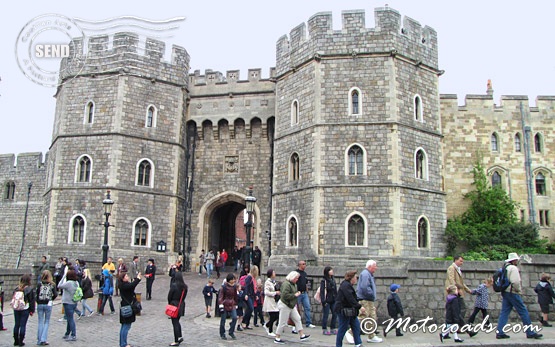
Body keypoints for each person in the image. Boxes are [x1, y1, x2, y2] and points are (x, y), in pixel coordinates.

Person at [496, 253, 543, 340]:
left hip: (505, 292)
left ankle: (500, 332)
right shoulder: (513, 268)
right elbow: (515, 282)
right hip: (513, 292)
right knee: (523, 311)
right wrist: (518, 291)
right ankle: (530, 332)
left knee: (504, 312)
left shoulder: (505, 267)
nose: (517, 261)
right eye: (516, 260)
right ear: (514, 260)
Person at [274, 271, 310, 344]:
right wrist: (295, 295)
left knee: (297, 318)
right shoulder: (286, 284)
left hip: (291, 305)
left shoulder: (294, 284)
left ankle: (302, 335)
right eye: (296, 278)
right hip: (285, 305)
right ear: (292, 277)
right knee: (282, 322)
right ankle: (277, 337)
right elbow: (284, 295)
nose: (297, 280)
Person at [334, 270, 365, 347]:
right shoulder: (345, 285)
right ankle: (338, 345)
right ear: (351, 278)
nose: (356, 279)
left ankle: (358, 343)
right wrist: (359, 306)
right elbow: (350, 298)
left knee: (356, 326)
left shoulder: (348, 285)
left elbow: (353, 297)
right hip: (343, 310)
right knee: (342, 328)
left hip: (350, 311)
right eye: (355, 277)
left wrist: (359, 300)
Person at [357, 259, 382, 343]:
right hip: (365, 299)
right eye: (375, 266)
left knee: (372, 318)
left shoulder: (368, 274)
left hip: (369, 300)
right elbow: (364, 287)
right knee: (363, 317)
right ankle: (351, 333)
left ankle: (371, 336)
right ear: (370, 266)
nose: (376, 268)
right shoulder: (365, 274)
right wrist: (371, 294)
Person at [444, 256, 472, 320]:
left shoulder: (458, 269)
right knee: (461, 308)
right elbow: (451, 279)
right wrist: (456, 289)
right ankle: (458, 324)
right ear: (456, 260)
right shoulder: (451, 268)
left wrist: (468, 290)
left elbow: (461, 283)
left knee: (458, 309)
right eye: (460, 261)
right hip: (454, 292)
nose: (462, 263)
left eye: (462, 261)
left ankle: (457, 324)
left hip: (457, 292)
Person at [119, 271, 141, 347]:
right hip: (127, 307)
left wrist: (137, 279)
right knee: (126, 326)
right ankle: (123, 344)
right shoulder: (124, 286)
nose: (127, 277)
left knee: (124, 326)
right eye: (126, 276)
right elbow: (132, 286)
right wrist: (137, 279)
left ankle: (123, 343)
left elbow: (132, 286)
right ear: (122, 278)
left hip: (125, 306)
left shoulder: (124, 285)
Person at [12, 273, 35, 346]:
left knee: (16, 324)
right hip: (25, 308)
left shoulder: (16, 288)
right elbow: (32, 301)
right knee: (23, 325)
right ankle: (21, 341)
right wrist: (32, 310)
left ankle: (16, 340)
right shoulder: (29, 289)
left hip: (17, 308)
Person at [36, 269, 57, 346]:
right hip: (48, 303)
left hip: (40, 303)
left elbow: (36, 294)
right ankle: (43, 339)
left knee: (40, 322)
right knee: (47, 321)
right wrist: (51, 299)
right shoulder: (52, 284)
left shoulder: (39, 284)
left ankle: (39, 340)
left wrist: (38, 301)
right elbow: (55, 294)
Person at [58, 269, 80, 341]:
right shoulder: (76, 283)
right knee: (69, 318)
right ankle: (67, 333)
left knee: (70, 319)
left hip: (68, 303)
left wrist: (63, 276)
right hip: (74, 302)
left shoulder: (69, 283)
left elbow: (59, 285)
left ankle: (73, 334)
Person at [167, 271, 188, 346]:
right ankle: (180, 336)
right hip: (181, 304)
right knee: (177, 321)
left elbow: (169, 296)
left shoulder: (174, 286)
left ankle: (176, 340)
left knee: (174, 323)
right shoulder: (185, 287)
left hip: (174, 304)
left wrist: (170, 303)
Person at [295, 260, 315, 328]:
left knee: (307, 307)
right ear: (299, 265)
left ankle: (308, 322)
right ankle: (295, 323)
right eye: (303, 264)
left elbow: (306, 282)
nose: (305, 265)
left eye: (305, 264)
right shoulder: (296, 273)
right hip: (298, 293)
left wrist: (306, 289)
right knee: (296, 308)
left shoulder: (305, 273)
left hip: (304, 293)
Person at [218, 273, 238, 340]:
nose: (234, 281)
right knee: (223, 320)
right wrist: (221, 305)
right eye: (232, 279)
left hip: (232, 304)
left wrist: (236, 303)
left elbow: (235, 296)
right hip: (225, 304)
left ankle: (231, 331)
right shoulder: (223, 287)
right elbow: (220, 297)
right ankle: (222, 333)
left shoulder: (234, 287)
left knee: (235, 318)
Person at [320, 266, 338, 335]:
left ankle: (332, 328)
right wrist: (323, 301)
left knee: (335, 314)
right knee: (326, 315)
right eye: (330, 270)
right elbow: (322, 291)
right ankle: (324, 328)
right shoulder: (324, 280)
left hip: (333, 300)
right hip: (327, 300)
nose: (332, 271)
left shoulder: (333, 279)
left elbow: (335, 290)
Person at [263, 268, 280, 337]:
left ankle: (267, 325)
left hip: (274, 301)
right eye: (273, 273)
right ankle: (270, 330)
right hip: (269, 301)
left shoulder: (274, 282)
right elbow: (266, 292)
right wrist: (275, 293)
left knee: (277, 315)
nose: (275, 274)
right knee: (272, 316)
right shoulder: (267, 282)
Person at [241, 265, 258, 330]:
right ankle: (244, 321)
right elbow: (246, 286)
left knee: (250, 309)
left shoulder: (253, 278)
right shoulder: (249, 277)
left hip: (252, 295)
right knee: (250, 308)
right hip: (248, 295)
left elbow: (253, 288)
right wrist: (246, 294)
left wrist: (256, 295)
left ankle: (247, 323)